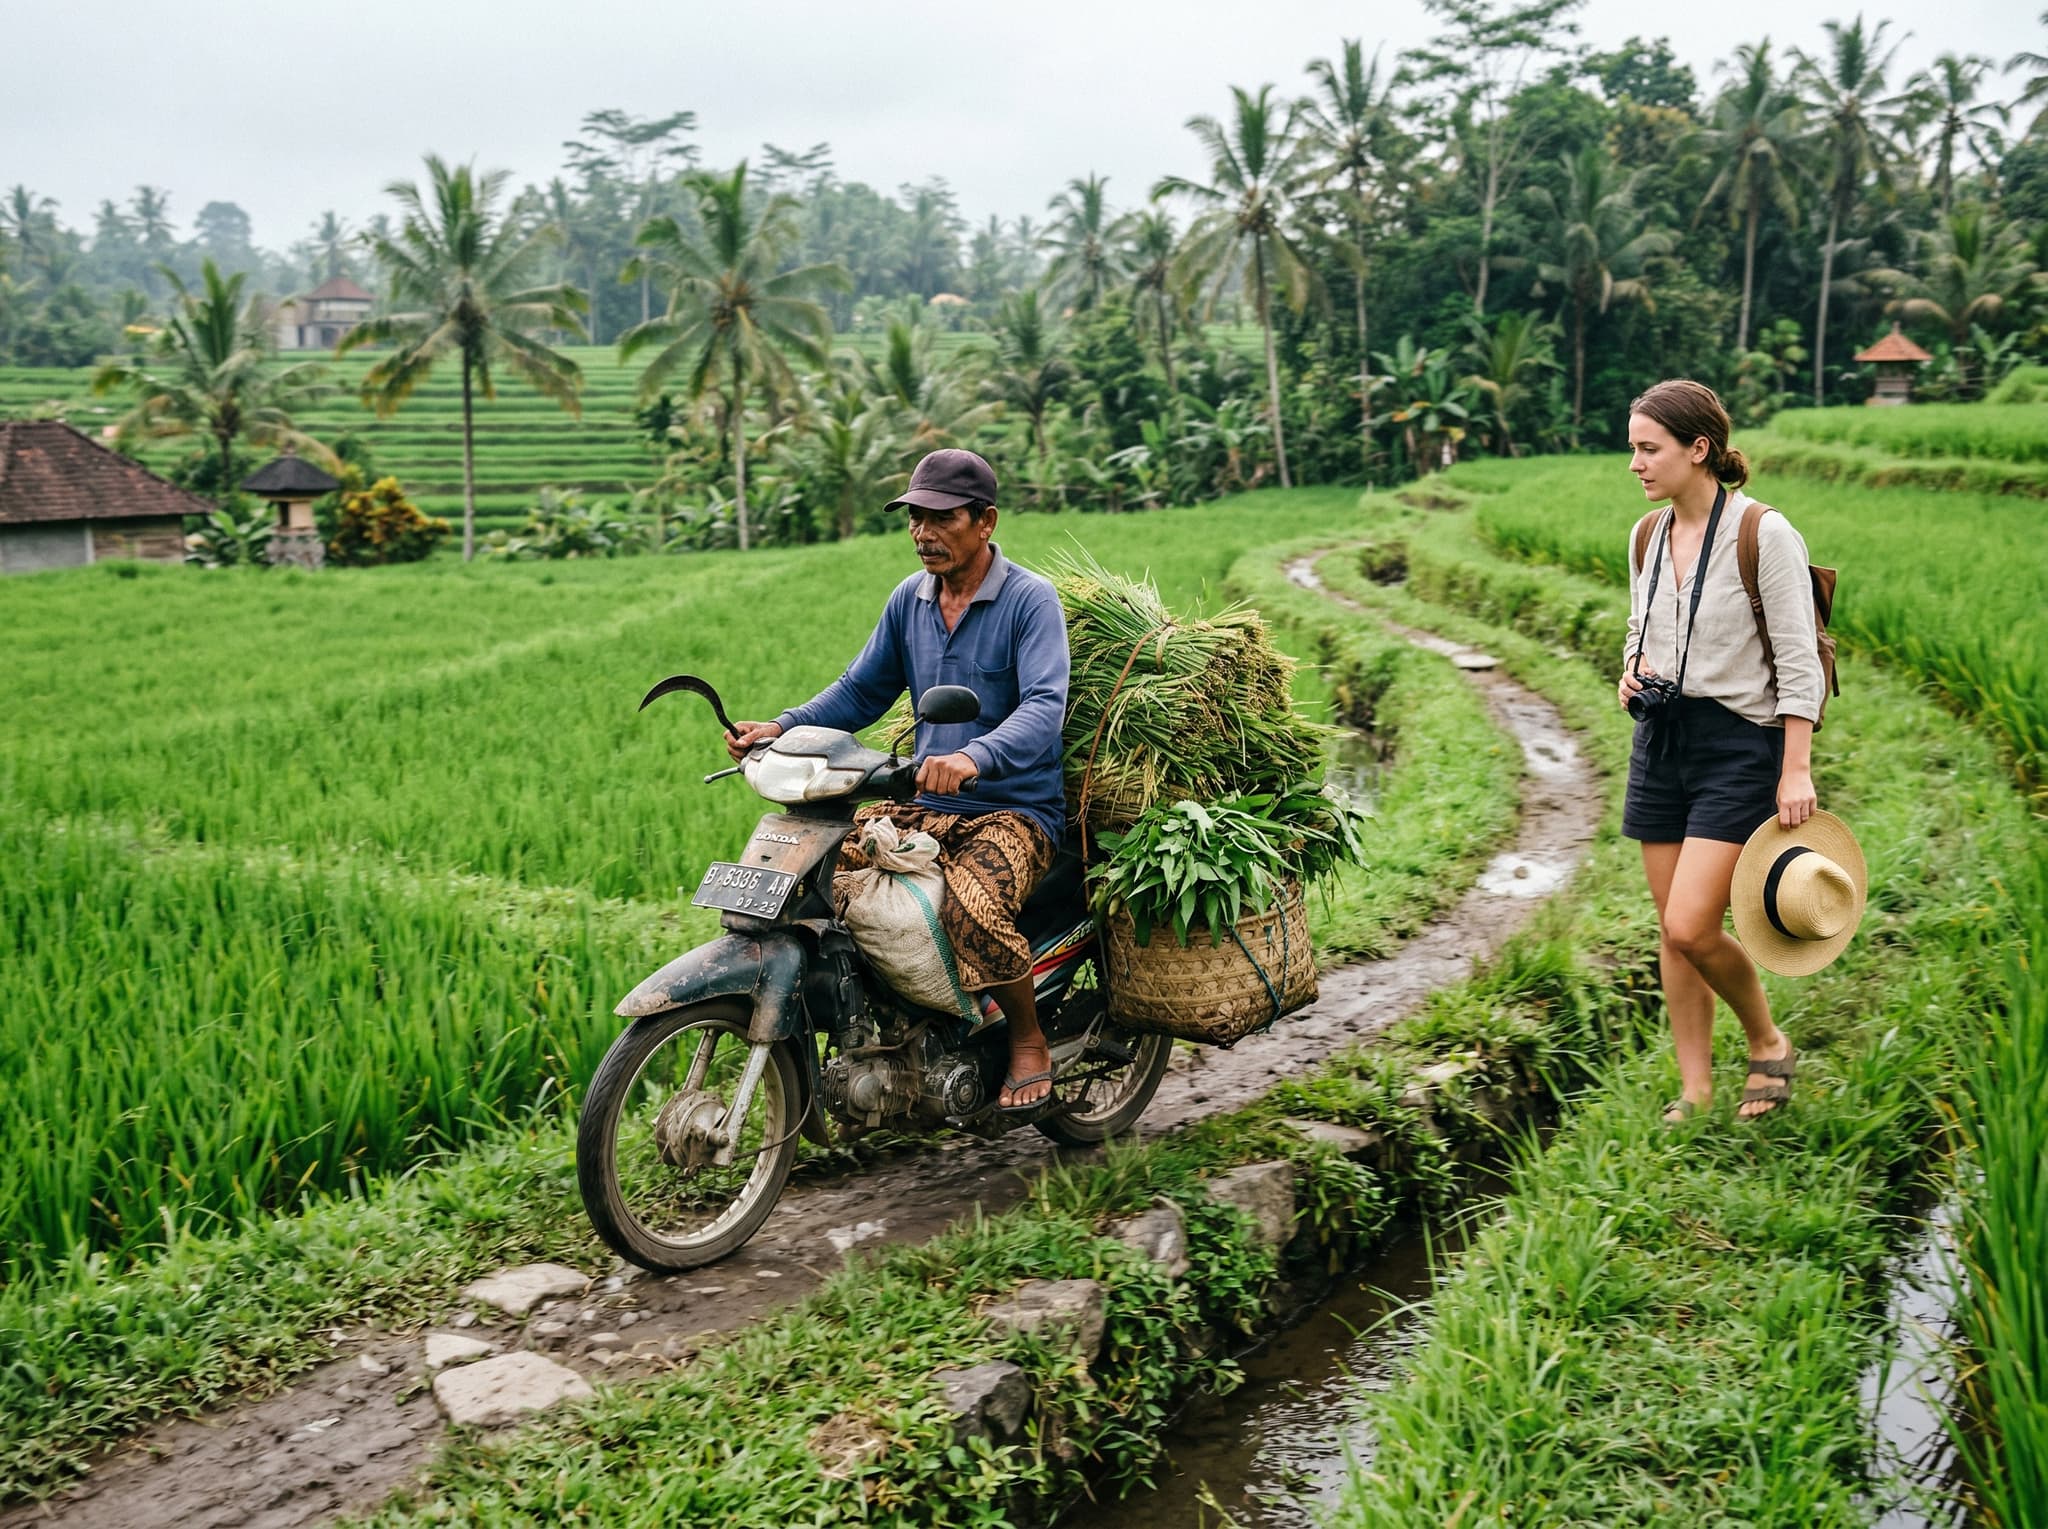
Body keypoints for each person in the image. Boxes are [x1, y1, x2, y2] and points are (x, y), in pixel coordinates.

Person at [725, 448, 1071, 1112]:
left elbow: (1044, 709)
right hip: (920, 804)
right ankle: (878, 1034)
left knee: (970, 905)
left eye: (940, 517)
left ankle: (1028, 1039)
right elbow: (862, 690)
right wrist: (782, 725)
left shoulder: (1031, 601)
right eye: (914, 516)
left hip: (1013, 808)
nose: (922, 532)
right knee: (810, 873)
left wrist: (975, 757)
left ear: (986, 521)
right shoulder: (908, 601)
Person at [1617, 380, 1825, 1123]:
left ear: (1697, 449)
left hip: (1740, 744)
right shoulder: (1646, 535)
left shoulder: (1764, 533)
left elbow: (1800, 660)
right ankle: (1696, 1088)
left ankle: (1767, 1040)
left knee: (1690, 925)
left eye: (1650, 448)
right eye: (1634, 448)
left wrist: (1794, 767)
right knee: (1671, 927)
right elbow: (1641, 628)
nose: (1635, 463)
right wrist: (1629, 671)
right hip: (1661, 738)